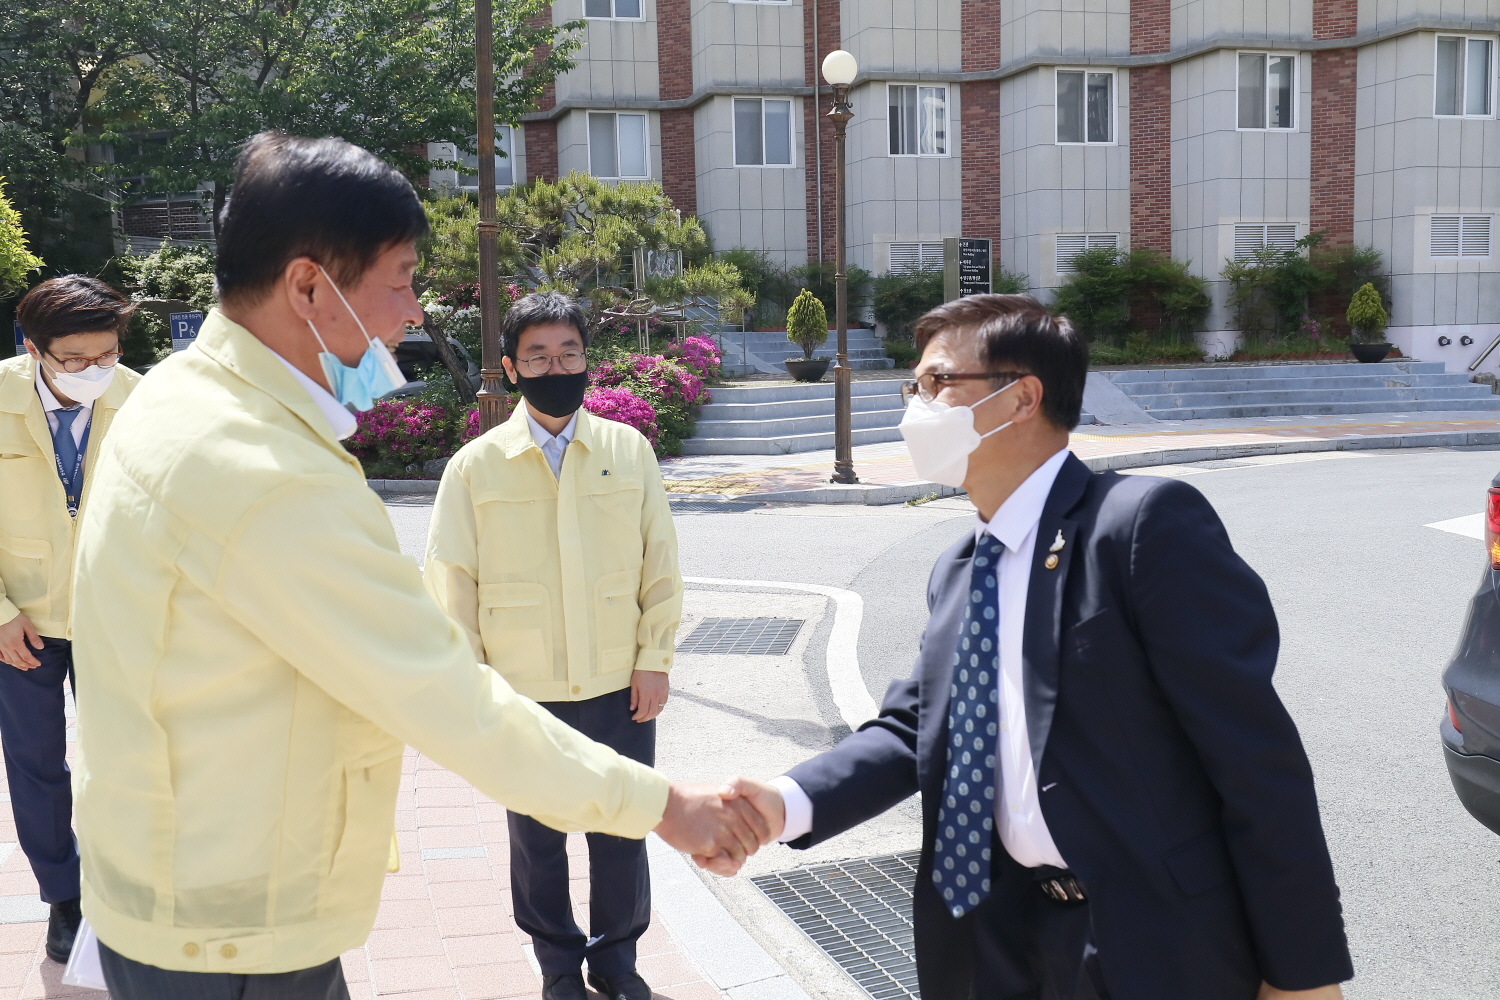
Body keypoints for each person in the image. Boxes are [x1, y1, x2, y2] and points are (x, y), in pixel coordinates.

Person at [68, 132, 766, 1000]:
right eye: (400, 277)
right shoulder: (266, 475)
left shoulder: (172, 395)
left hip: (176, 877)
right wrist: (667, 807)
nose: (413, 310)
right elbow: (444, 696)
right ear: (310, 285)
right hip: (235, 928)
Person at [722, 295, 1353, 1000]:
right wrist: (781, 805)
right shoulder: (961, 567)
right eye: (915, 386)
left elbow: (1254, 761)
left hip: (1154, 940)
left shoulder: (1140, 528)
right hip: (1001, 937)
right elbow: (915, 730)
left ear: (1020, 397)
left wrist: (1304, 973)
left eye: (936, 384)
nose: (915, 406)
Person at [425, 292, 678, 1000]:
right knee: (536, 841)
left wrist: (653, 658)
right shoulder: (476, 467)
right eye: (537, 356)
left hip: (616, 687)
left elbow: (660, 565)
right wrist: (475, 686)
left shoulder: (628, 452)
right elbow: (451, 582)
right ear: (511, 368)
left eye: (568, 353)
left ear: (586, 361)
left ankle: (618, 964)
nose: (555, 366)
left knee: (622, 827)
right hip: (521, 691)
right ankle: (559, 966)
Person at [0, 276, 140, 963]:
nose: (94, 373)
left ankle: (124, 887)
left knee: (123, 760)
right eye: (75, 361)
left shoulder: (140, 399)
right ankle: (65, 897)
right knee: (37, 767)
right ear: (34, 349)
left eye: (106, 356)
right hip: (18, 621)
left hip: (112, 616)